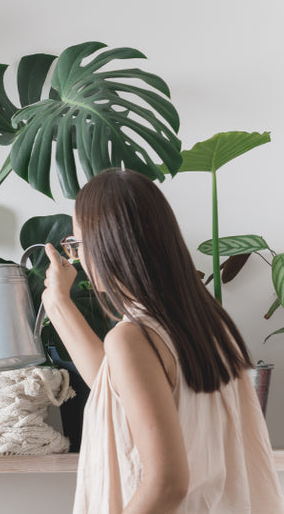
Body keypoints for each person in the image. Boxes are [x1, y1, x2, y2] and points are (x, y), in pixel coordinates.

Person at [42, 167, 284, 514]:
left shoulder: (134, 338)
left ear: (105, 244)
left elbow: (167, 484)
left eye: (77, 244)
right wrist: (59, 306)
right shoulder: (209, 323)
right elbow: (117, 392)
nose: (77, 256)